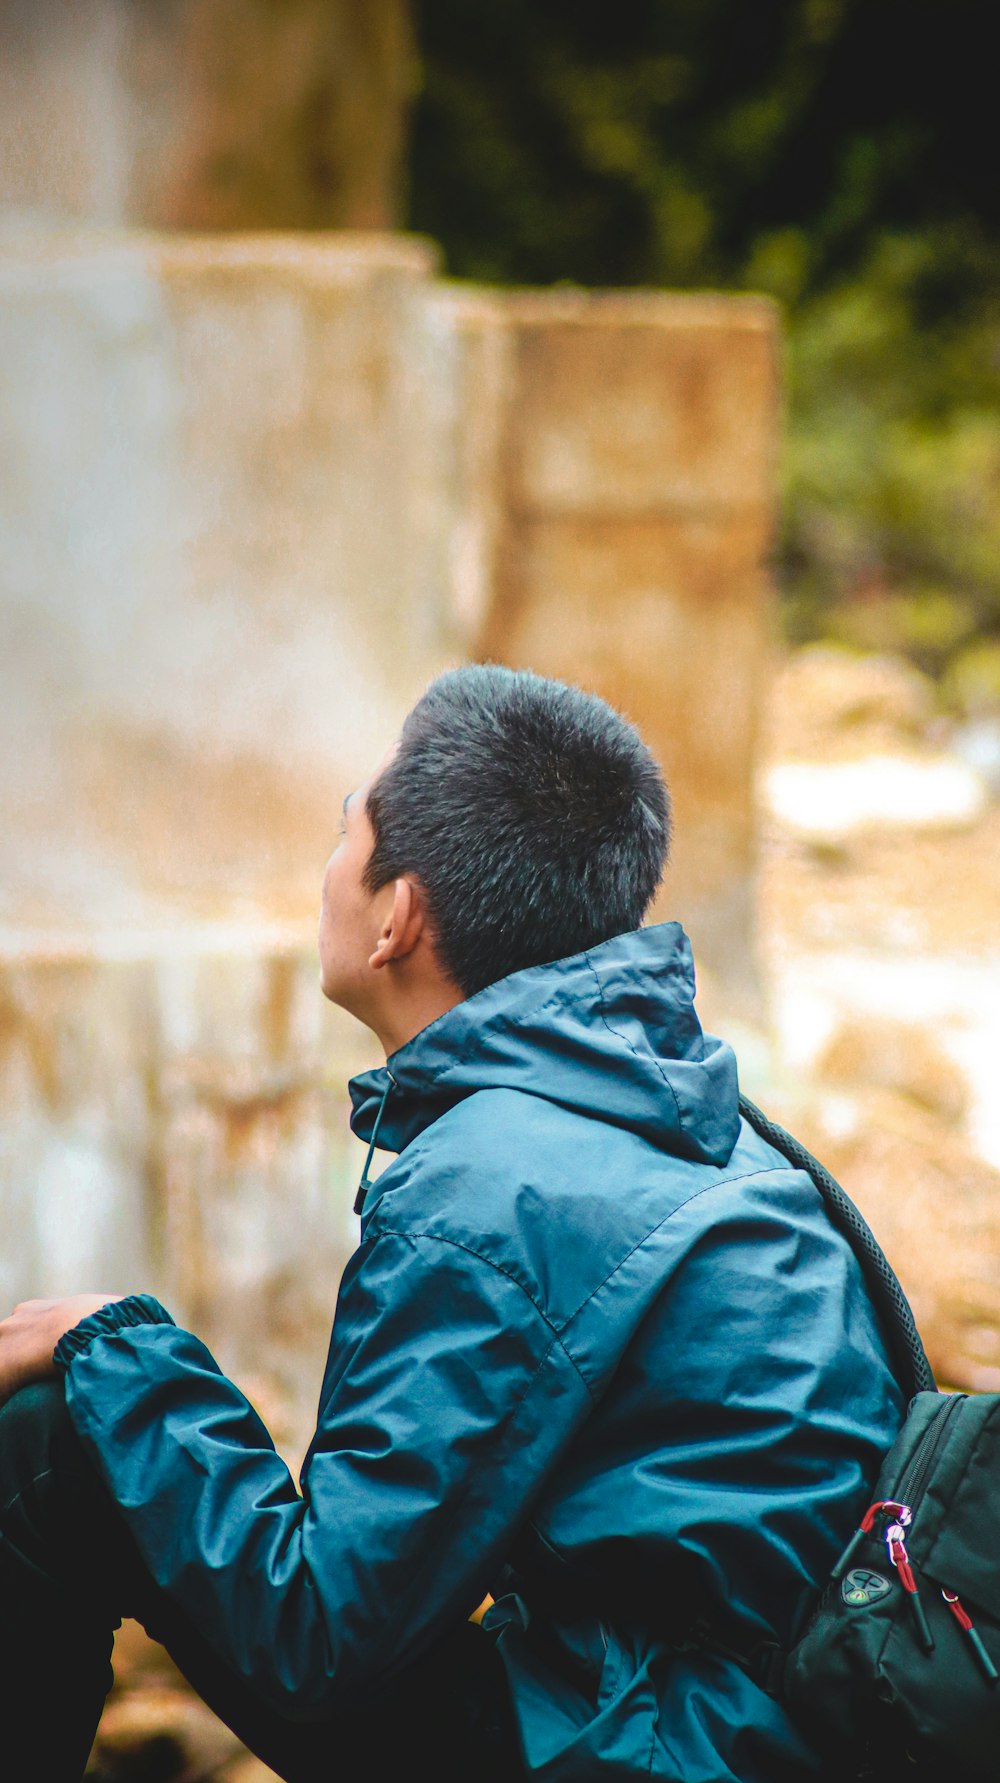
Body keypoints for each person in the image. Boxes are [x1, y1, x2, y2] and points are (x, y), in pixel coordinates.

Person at [0, 665, 904, 1782]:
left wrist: (115, 1347)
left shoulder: (494, 1183)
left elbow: (317, 1638)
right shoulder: (676, 1108)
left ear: (398, 915)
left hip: (662, 1750)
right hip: (759, 1722)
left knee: (56, 1441)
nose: (326, 872)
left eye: (345, 834)